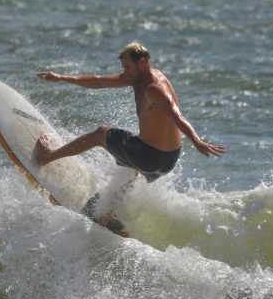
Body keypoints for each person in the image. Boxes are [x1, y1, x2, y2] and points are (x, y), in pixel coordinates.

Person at [36, 42, 225, 234]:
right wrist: (61, 77)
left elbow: (178, 116)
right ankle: (107, 216)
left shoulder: (154, 89)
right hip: (167, 162)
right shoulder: (138, 78)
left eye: (127, 67)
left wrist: (197, 141)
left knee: (101, 134)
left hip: (150, 156)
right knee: (131, 166)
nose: (124, 72)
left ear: (141, 62)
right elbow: (99, 81)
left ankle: (46, 157)